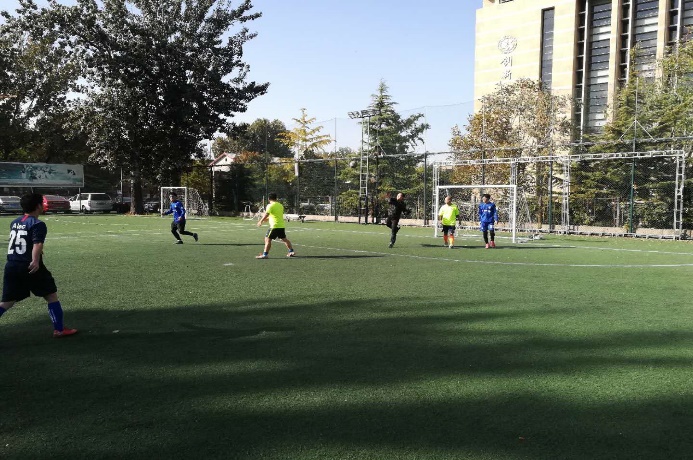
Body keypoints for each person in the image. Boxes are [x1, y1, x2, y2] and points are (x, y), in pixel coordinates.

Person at [0, 193, 77, 337]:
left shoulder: (15, 222)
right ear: (38, 206)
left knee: (7, 302)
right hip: (29, 266)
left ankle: (59, 329)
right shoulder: (37, 224)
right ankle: (59, 330)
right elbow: (37, 243)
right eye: (42, 203)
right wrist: (35, 260)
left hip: (11, 265)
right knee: (51, 295)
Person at [256, 193, 295, 259]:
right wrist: (268, 219)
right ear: (276, 198)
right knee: (284, 239)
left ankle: (265, 255)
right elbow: (276, 215)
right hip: (281, 226)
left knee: (267, 239)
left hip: (274, 226)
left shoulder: (270, 205)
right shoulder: (280, 205)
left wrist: (261, 221)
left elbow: (267, 214)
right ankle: (291, 251)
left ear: (268, 199)